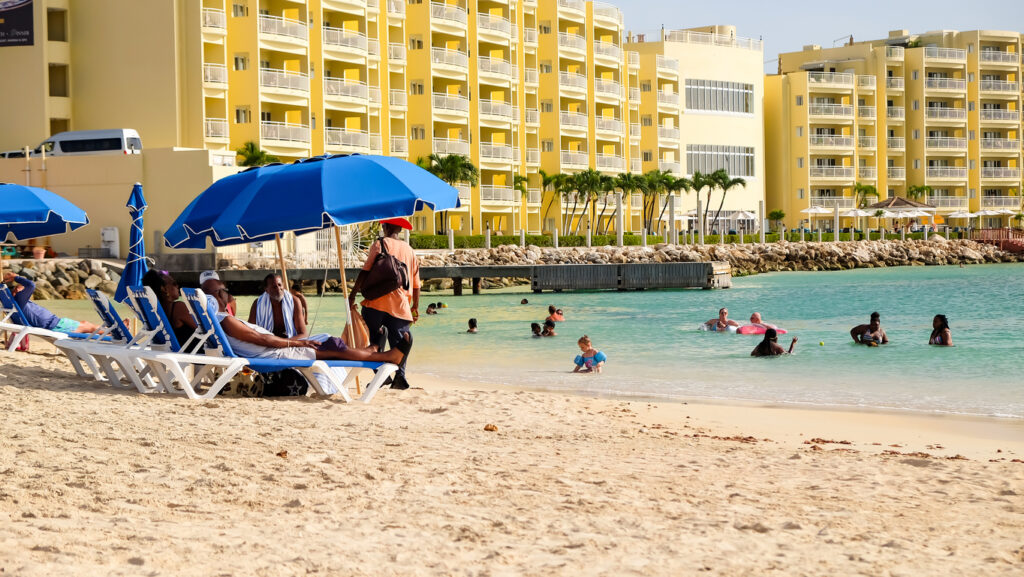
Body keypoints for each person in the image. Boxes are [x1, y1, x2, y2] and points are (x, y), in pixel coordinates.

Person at [210, 284, 407, 364]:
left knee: (334, 346)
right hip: (276, 353)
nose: (229, 293)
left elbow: (260, 338)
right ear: (219, 297)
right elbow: (262, 339)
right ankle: (386, 357)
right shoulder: (227, 321)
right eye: (224, 290)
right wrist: (300, 343)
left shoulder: (218, 322)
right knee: (334, 347)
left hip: (272, 350)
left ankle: (372, 349)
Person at [350, 218, 421, 390]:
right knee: (402, 342)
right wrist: (415, 307)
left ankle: (381, 374)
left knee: (374, 336)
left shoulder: (380, 244)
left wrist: (352, 294)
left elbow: (365, 271)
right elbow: (416, 284)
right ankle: (400, 377)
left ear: (386, 226)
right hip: (401, 305)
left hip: (376, 302)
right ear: (400, 228)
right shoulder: (410, 251)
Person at [3, 272, 99, 334]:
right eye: (19, 286)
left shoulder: (16, 302)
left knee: (85, 324)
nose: (21, 287)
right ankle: (110, 333)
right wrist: (16, 277)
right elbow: (31, 285)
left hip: (55, 322)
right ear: (15, 291)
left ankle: (107, 332)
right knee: (90, 328)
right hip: (54, 325)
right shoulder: (20, 299)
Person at [141, 270, 201, 352]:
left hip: (171, 350)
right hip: (196, 351)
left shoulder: (154, 310)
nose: (177, 286)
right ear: (164, 289)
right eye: (174, 283)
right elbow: (203, 329)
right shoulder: (178, 307)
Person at [248, 273, 307, 340]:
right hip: (266, 342)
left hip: (289, 341)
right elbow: (250, 331)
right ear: (266, 290)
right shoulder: (257, 304)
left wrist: (282, 343)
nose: (278, 288)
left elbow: (303, 334)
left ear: (283, 286)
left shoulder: (295, 302)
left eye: (279, 285)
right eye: (274, 287)